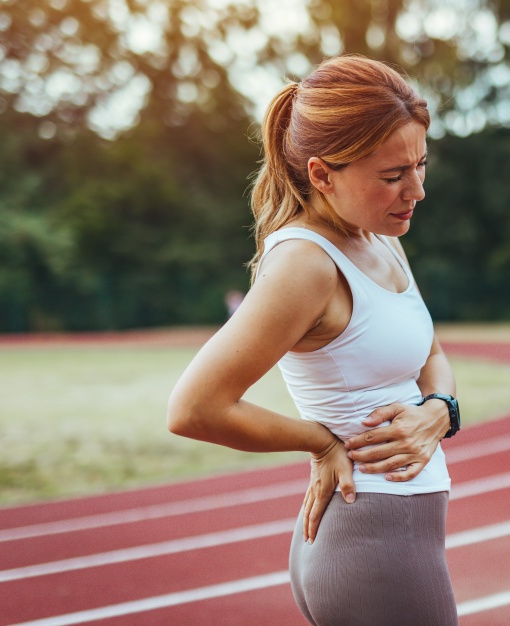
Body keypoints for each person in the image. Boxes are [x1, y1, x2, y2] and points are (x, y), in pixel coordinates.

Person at [168, 55, 461, 626]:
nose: (417, 190)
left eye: (421, 165)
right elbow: (194, 408)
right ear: (322, 174)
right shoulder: (306, 263)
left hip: (390, 540)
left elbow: (431, 355)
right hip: (373, 543)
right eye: (393, 175)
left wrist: (440, 409)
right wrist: (321, 442)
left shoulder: (379, 237)